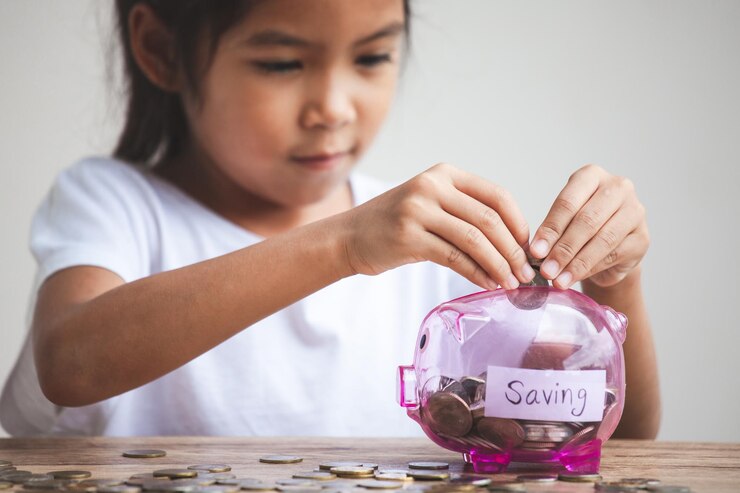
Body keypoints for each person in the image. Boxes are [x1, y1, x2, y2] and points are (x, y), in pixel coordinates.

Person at [0, 0, 660, 438]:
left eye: (371, 56)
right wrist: (343, 244)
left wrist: (612, 282)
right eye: (283, 63)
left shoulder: (435, 249)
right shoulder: (112, 201)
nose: (334, 107)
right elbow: (71, 362)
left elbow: (622, 442)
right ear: (161, 50)